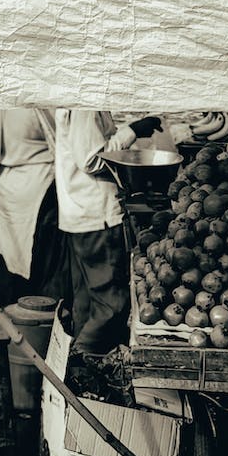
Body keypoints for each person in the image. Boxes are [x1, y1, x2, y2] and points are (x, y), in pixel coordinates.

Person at [55, 109, 162, 356]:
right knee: (111, 305)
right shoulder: (84, 105)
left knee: (86, 304)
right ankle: (79, 361)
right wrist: (132, 131)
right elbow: (92, 159)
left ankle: (81, 377)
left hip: (82, 214)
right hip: (97, 217)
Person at [0, 108, 66, 307]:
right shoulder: (38, 100)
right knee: (45, 273)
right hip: (40, 186)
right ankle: (41, 330)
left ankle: (14, 329)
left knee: (10, 274)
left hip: (4, 186)